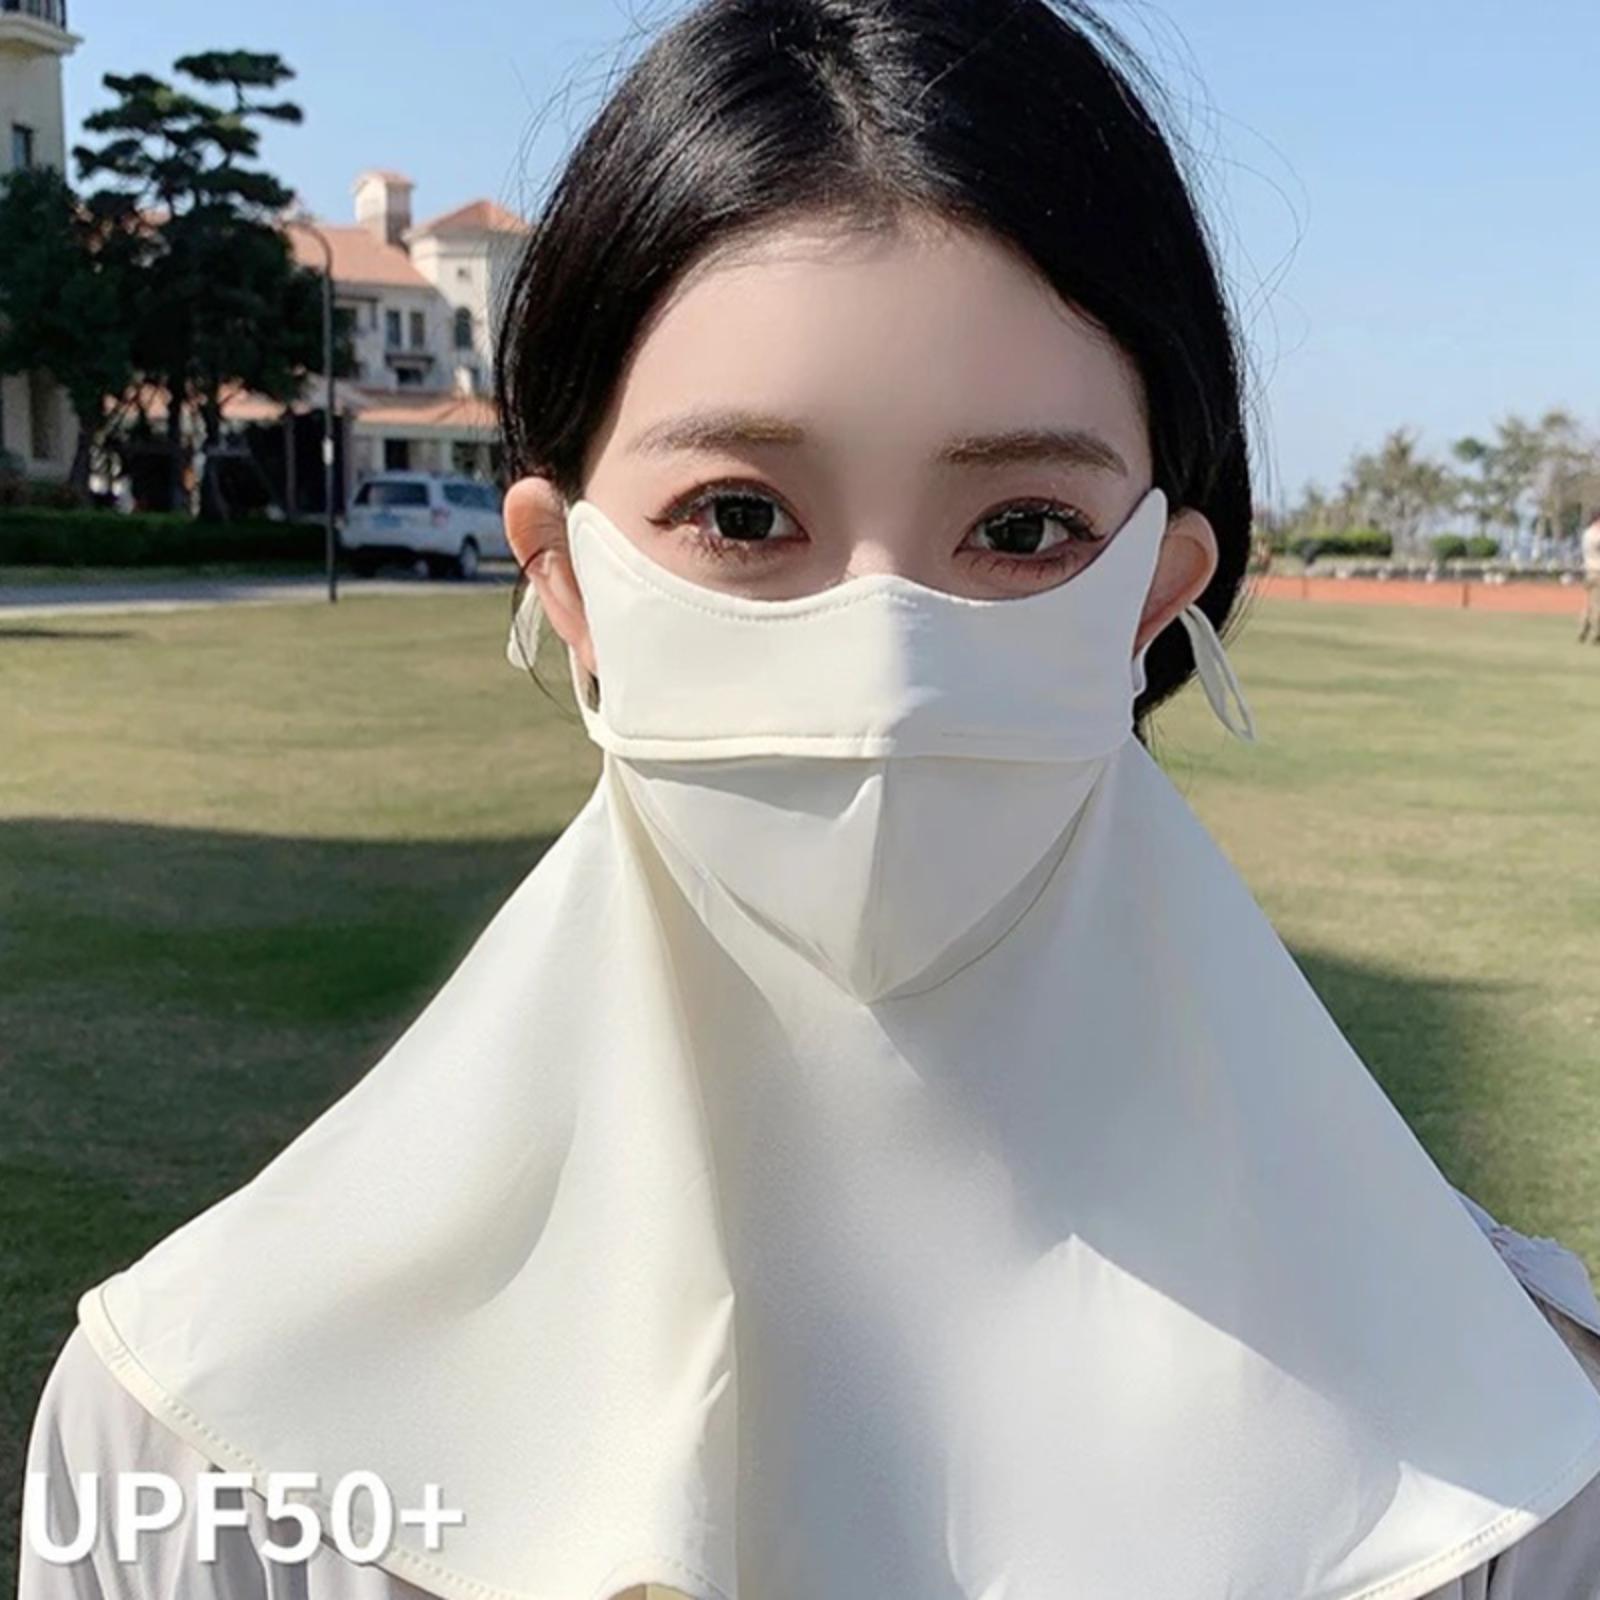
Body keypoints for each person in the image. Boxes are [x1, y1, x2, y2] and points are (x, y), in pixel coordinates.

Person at [19, 3, 1600, 1598]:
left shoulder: (1517, 1451)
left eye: (1024, 529)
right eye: (741, 512)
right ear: (565, 577)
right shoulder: (185, 1439)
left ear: (1154, 595)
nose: (884, 661)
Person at [1578, 510, 1600, 643]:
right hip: (1598, 571)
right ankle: (1597, 634)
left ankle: (1583, 630)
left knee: (1589, 604)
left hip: (1588, 570)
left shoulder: (1586, 533)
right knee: (1597, 605)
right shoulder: (1596, 535)